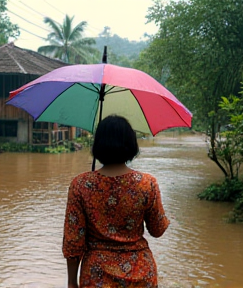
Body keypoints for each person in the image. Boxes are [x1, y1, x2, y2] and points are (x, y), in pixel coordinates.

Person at [62, 115, 170, 288]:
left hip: (96, 276)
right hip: (140, 274)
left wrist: (71, 282)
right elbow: (157, 229)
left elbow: (73, 242)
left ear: (98, 145)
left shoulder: (81, 185)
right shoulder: (147, 183)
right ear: (131, 145)